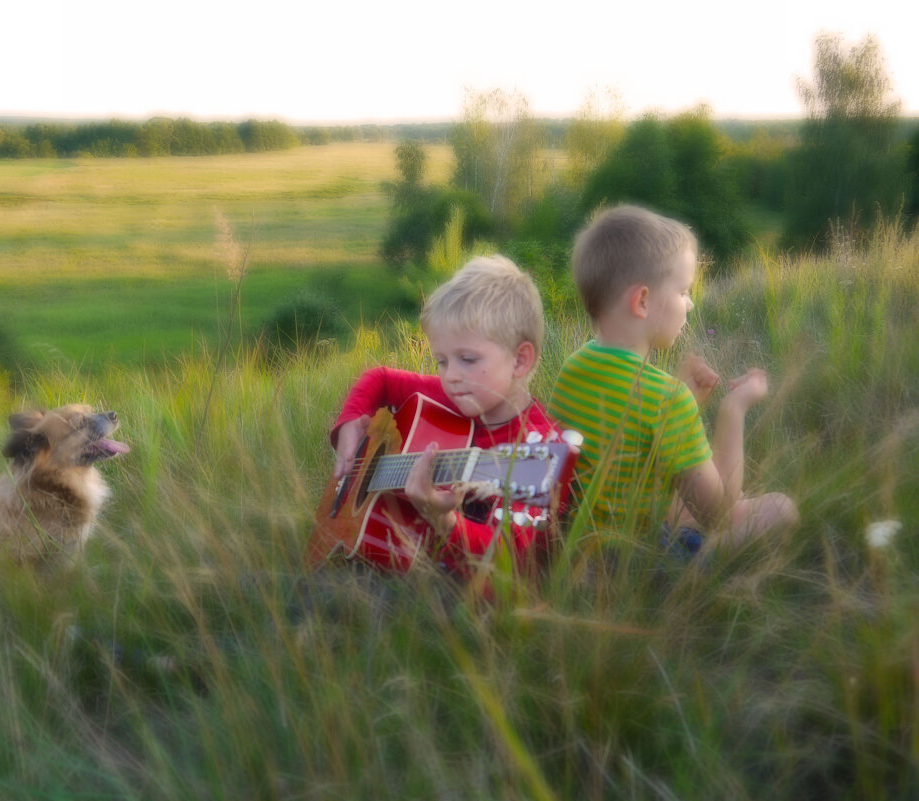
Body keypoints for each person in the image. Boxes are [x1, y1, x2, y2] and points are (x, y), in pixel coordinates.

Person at [547, 204, 798, 556]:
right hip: (637, 560)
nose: (690, 304)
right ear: (643, 301)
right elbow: (719, 515)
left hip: (578, 547)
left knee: (688, 495)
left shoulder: (574, 367)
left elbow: (628, 455)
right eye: (683, 292)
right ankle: (692, 574)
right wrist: (733, 410)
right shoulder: (667, 398)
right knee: (780, 510)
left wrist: (686, 401)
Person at [327, 255, 577, 579]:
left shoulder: (539, 450)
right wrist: (351, 423)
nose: (451, 377)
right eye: (442, 361)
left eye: (468, 359)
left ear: (519, 360)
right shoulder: (455, 400)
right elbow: (381, 378)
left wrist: (444, 521)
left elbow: (509, 558)